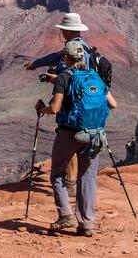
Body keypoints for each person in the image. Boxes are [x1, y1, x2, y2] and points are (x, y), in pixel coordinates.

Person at [35, 41, 117, 237]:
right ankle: (86, 224)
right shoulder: (95, 76)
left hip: (69, 133)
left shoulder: (64, 78)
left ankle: (65, 215)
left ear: (65, 58)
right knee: (87, 178)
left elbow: (54, 108)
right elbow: (113, 104)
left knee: (57, 174)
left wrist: (41, 109)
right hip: (93, 134)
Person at [24, 12, 93, 196]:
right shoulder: (83, 48)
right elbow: (56, 57)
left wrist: (54, 79)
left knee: (69, 141)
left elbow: (71, 80)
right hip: (85, 106)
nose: (61, 31)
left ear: (66, 30)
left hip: (71, 106)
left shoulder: (73, 50)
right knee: (78, 143)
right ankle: (76, 185)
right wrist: (37, 63)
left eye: (63, 28)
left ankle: (69, 185)